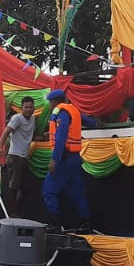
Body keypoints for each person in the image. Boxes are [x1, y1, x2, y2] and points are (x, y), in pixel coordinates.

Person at [41, 89, 98, 231]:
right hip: (75, 159)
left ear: (54, 102)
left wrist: (54, 159)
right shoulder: (73, 111)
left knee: (49, 191)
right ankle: (86, 222)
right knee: (76, 193)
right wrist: (97, 122)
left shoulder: (61, 113)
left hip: (63, 159)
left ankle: (56, 223)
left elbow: (61, 137)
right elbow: (89, 122)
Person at [0, 97, 36, 217]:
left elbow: (31, 136)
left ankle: (18, 210)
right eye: (26, 107)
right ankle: (12, 213)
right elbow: (6, 132)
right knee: (14, 186)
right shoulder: (17, 118)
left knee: (26, 187)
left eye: (31, 107)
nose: (28, 110)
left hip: (25, 157)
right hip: (15, 155)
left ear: (34, 108)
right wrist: (0, 148)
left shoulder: (33, 119)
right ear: (21, 108)